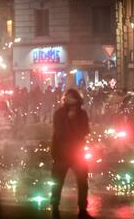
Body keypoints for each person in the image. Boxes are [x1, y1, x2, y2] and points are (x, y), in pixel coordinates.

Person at [51, 89, 93, 219]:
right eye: (67, 98)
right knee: (58, 181)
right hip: (61, 153)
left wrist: (74, 120)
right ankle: (54, 206)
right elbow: (59, 133)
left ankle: (82, 208)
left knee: (82, 182)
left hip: (77, 153)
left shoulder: (82, 114)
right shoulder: (59, 113)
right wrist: (69, 120)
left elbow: (85, 131)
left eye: (72, 98)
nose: (69, 100)